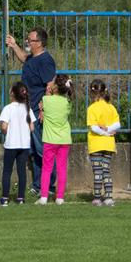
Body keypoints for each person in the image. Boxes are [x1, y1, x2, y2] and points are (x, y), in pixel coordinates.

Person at [6, 28, 56, 193]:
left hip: (37, 109)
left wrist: (43, 108)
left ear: (39, 43)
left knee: (42, 148)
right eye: (27, 39)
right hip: (28, 109)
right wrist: (14, 45)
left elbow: (50, 85)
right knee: (33, 150)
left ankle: (49, 185)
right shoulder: (32, 58)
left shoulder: (45, 61)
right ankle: (38, 184)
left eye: (30, 40)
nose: (27, 42)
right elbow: (23, 58)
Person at [0, 81, 35, 206]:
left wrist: (5, 131)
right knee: (21, 171)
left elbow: (4, 126)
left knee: (7, 171)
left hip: (11, 144)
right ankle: (21, 198)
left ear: (12, 93)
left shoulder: (8, 108)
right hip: (24, 145)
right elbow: (32, 128)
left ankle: (5, 198)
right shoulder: (27, 108)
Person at [37, 74, 73, 205]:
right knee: (62, 169)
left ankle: (44, 197)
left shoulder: (46, 99)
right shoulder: (68, 102)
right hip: (64, 140)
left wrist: (48, 92)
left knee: (47, 168)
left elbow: (42, 105)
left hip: (50, 140)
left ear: (56, 86)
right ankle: (60, 198)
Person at [86, 79, 120, 207]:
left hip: (96, 144)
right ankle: (109, 198)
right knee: (106, 170)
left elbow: (93, 127)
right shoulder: (111, 107)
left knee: (97, 171)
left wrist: (104, 132)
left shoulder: (92, 108)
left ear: (92, 92)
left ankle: (97, 198)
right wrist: (109, 130)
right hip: (109, 144)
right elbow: (117, 124)